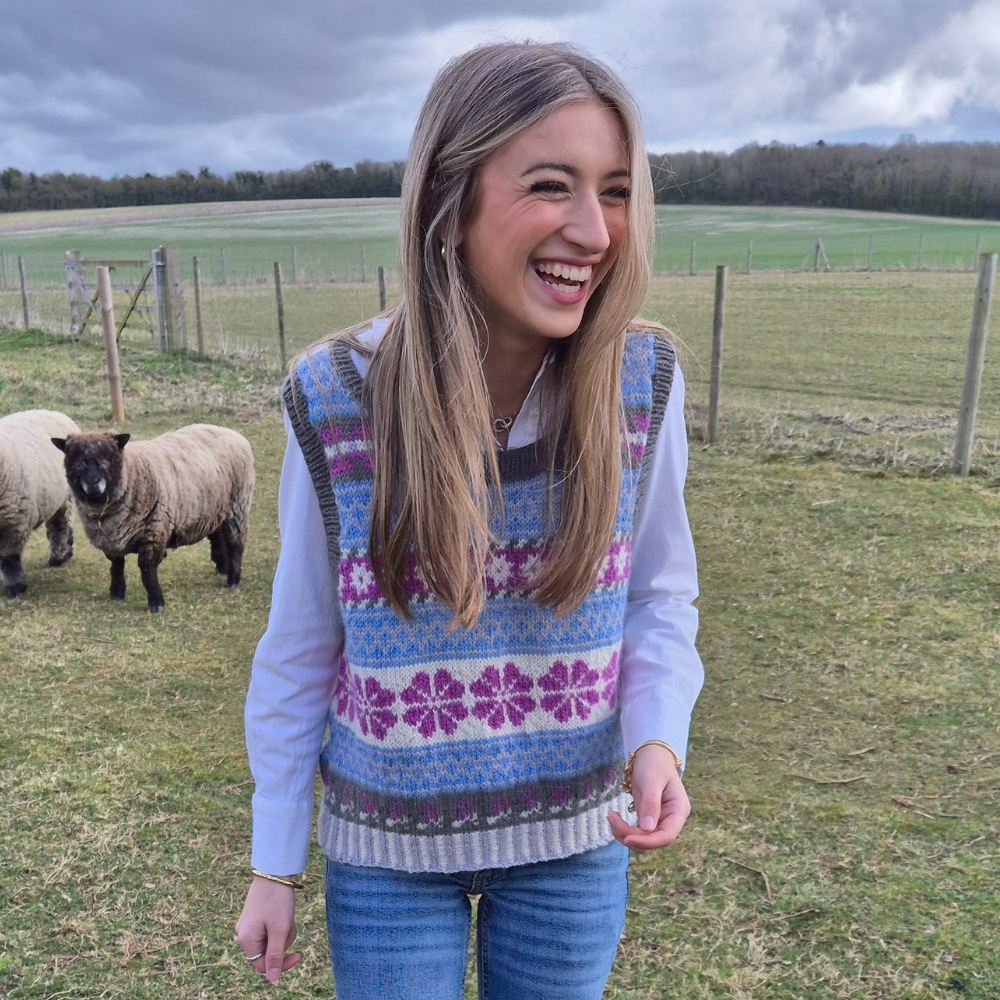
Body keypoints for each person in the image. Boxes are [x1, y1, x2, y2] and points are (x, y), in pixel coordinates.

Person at [235, 40, 704, 1000]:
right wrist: (273, 861)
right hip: (388, 855)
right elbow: (298, 644)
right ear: (451, 205)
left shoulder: (642, 387)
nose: (596, 230)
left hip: (575, 844)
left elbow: (658, 593)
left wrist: (657, 736)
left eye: (614, 191)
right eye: (551, 186)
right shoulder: (336, 397)